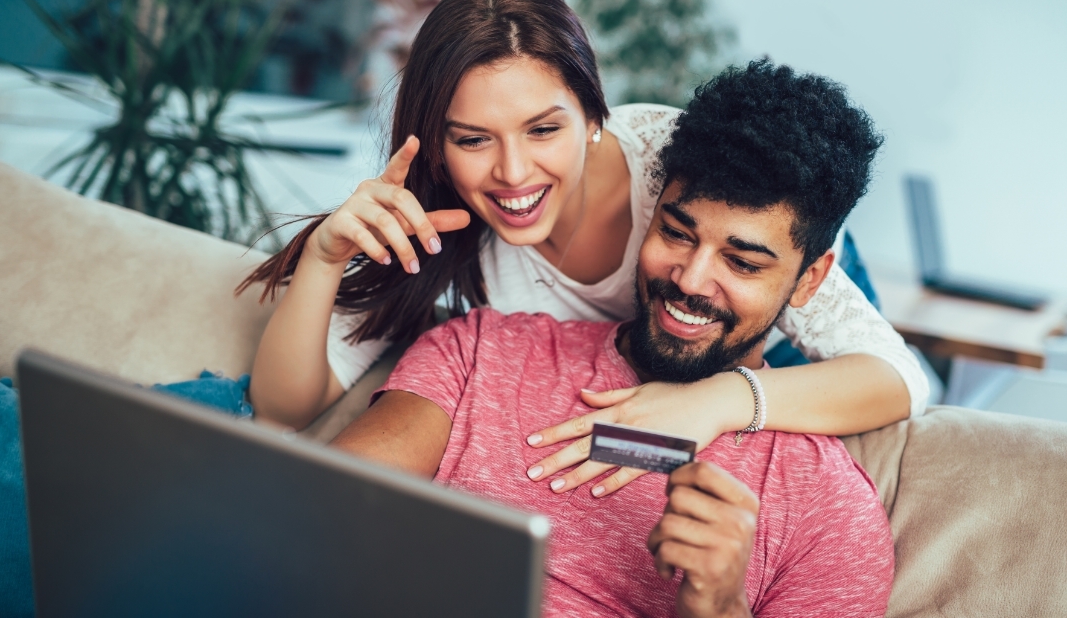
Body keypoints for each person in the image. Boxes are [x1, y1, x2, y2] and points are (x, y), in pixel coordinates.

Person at [239, 0, 928, 497]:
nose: (512, 174)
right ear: (439, 142)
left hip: (752, 308)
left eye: (543, 130)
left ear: (593, 110)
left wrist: (715, 400)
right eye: (473, 139)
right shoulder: (440, 223)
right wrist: (326, 260)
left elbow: (895, 378)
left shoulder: (679, 169)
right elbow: (283, 406)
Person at [331, 61, 896, 617]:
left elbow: (899, 379)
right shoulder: (480, 350)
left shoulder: (831, 509)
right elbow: (318, 520)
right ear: (650, 215)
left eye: (743, 263)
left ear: (811, 280)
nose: (691, 281)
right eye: (676, 233)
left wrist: (720, 606)